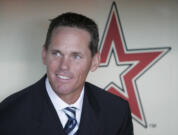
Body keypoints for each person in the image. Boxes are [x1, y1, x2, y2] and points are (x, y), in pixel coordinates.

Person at [0, 12, 133, 135]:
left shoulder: (117, 111)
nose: (64, 66)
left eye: (76, 56)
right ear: (44, 54)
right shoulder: (8, 115)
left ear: (95, 61)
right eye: (57, 53)